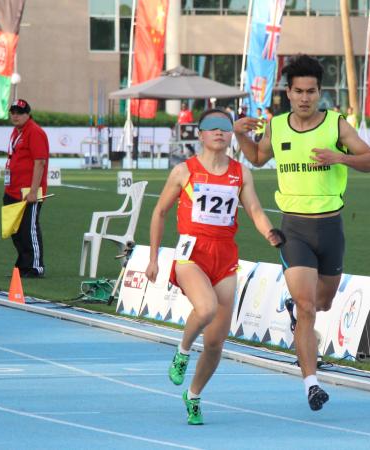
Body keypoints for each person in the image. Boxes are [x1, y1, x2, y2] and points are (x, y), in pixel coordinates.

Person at [233, 54, 370, 411]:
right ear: (287, 92)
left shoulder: (337, 125)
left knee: (322, 303)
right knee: (305, 307)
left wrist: (340, 157)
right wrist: (240, 136)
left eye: (311, 92)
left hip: (330, 227)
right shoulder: (277, 125)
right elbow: (256, 157)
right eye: (298, 91)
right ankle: (312, 385)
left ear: (320, 92)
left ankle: (298, 314)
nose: (304, 98)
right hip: (294, 228)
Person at [146, 108, 283, 425]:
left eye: (224, 127)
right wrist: (153, 258)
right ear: (201, 134)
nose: (219, 132)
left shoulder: (240, 173)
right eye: (212, 127)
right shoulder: (184, 171)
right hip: (191, 253)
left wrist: (270, 233)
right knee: (205, 309)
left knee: (215, 341)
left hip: (224, 257)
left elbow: (255, 210)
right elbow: (159, 212)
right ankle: (181, 352)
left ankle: (193, 394)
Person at [3, 99, 49, 278]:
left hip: (27, 191)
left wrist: (33, 191)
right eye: (13, 112)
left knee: (28, 229)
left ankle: (35, 267)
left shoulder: (35, 132)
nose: (15, 115)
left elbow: (40, 162)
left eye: (19, 112)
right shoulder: (16, 132)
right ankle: (23, 264)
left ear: (27, 114)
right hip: (12, 189)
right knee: (16, 230)